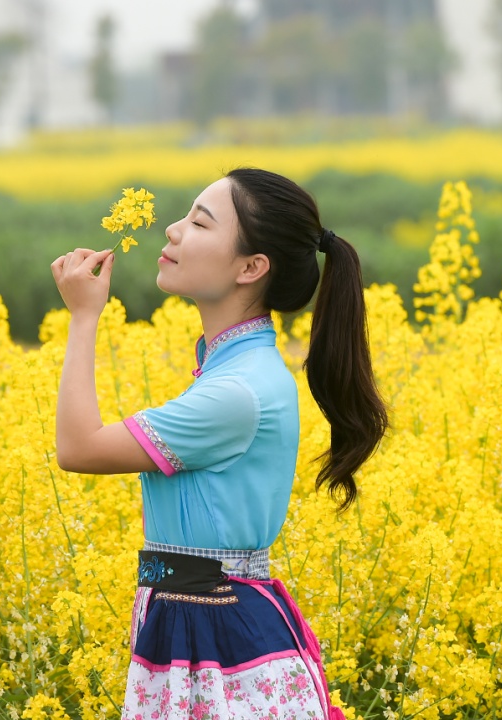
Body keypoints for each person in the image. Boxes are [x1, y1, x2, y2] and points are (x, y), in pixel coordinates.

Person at [50, 168, 387, 719]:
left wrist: (85, 316)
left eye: (200, 223)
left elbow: (79, 448)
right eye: (184, 216)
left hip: (220, 642)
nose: (174, 231)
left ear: (252, 268)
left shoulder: (238, 392)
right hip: (195, 626)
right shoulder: (231, 372)